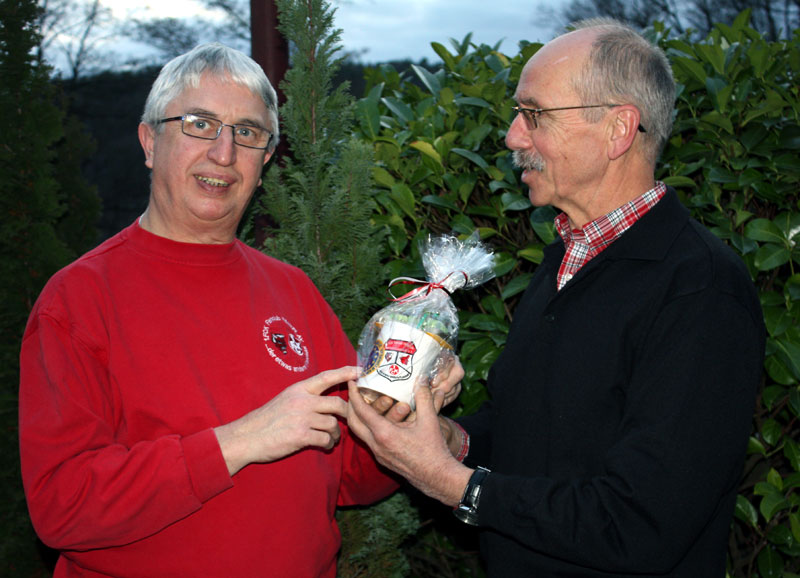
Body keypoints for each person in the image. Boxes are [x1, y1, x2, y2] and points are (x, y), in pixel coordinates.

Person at [19, 43, 461, 577]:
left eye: (248, 133)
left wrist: (419, 420)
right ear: (149, 142)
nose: (224, 153)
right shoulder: (78, 299)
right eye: (199, 124)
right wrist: (241, 441)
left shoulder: (293, 291)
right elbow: (62, 507)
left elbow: (350, 475)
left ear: (266, 158)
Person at [347, 19, 765, 577]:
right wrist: (455, 439)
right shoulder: (567, 258)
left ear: (619, 130)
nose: (513, 137)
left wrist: (455, 485)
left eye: (535, 114)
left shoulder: (701, 289)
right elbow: (536, 428)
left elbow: (641, 524)